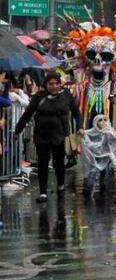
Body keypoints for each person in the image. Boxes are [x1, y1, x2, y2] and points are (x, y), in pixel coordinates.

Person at [14, 73, 81, 202]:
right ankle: (43, 192)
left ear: (60, 84)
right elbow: (27, 114)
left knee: (58, 163)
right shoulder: (39, 96)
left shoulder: (66, 95)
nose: (54, 86)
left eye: (56, 83)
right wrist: (18, 131)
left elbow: (77, 113)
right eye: (51, 84)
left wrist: (80, 127)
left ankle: (61, 185)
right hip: (42, 136)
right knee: (43, 164)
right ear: (46, 84)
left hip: (60, 136)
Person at [81, 113, 116, 196]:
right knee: (93, 171)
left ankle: (104, 189)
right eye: (100, 120)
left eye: (105, 120)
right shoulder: (91, 132)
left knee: (105, 172)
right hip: (95, 157)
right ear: (95, 122)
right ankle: (88, 189)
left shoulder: (109, 131)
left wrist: (109, 132)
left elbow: (115, 141)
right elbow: (86, 141)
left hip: (106, 156)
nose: (103, 122)